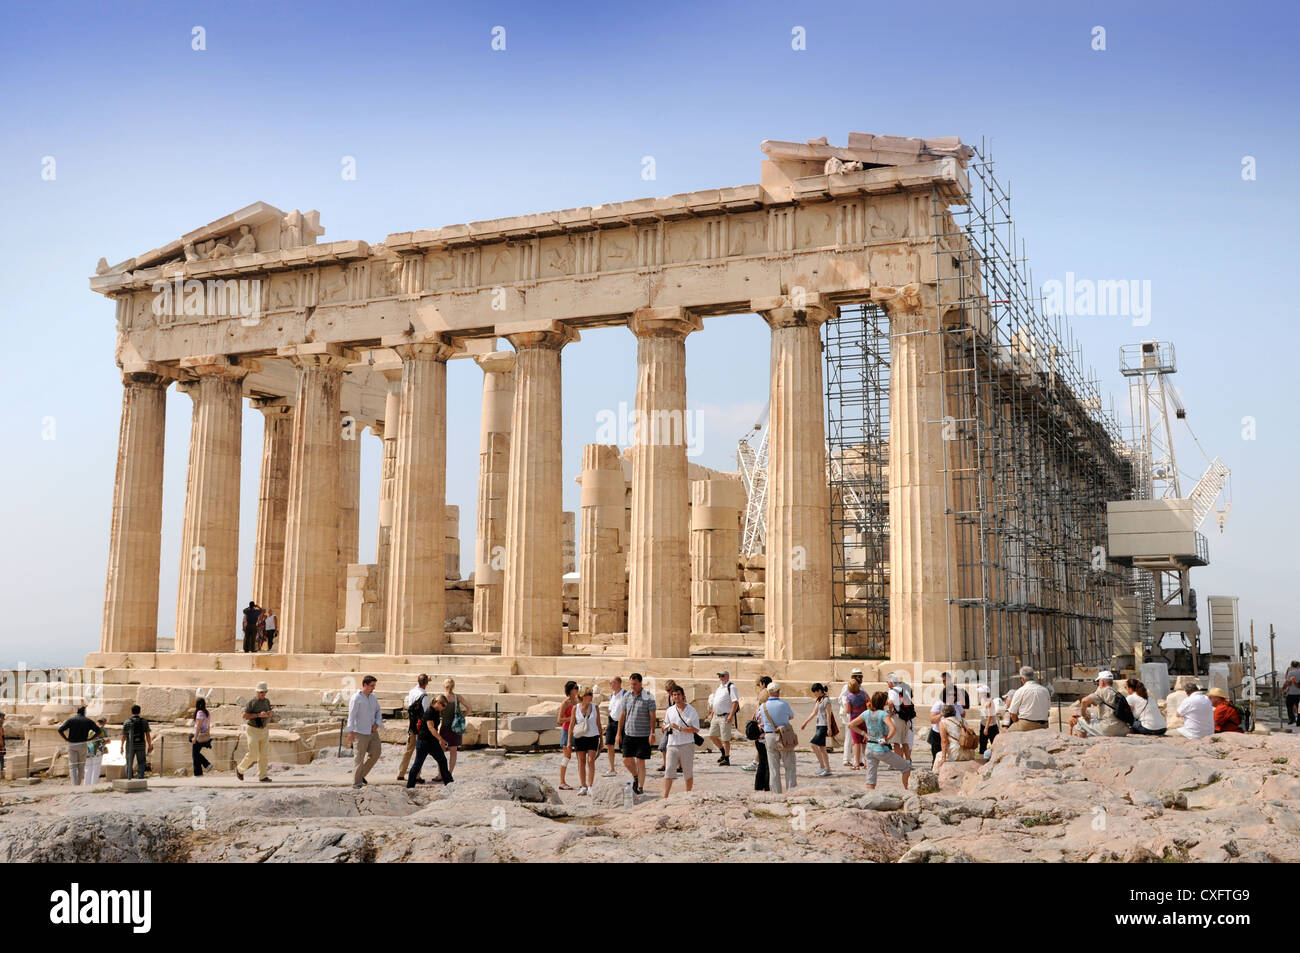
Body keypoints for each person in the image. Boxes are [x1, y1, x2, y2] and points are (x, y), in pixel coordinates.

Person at [850, 692, 912, 791]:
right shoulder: (883, 714)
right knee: (906, 768)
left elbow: (851, 725)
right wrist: (886, 739)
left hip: (869, 748)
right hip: (881, 749)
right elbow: (893, 729)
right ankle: (907, 792)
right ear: (883, 702)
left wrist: (864, 734)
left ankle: (869, 798)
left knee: (870, 780)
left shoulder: (866, 713)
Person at [616, 672, 656, 796]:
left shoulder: (649, 696)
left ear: (640, 683)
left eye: (634, 684)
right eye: (631, 684)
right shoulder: (627, 696)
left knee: (640, 761)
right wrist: (619, 733)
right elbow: (622, 715)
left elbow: (652, 716)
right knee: (626, 760)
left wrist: (652, 733)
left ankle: (640, 787)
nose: (632, 686)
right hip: (629, 733)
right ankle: (636, 776)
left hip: (643, 734)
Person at [662, 685, 700, 798]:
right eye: (674, 695)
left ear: (683, 696)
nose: (676, 697)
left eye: (678, 694)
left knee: (687, 771)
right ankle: (665, 796)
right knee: (669, 770)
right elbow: (665, 724)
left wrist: (680, 728)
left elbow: (696, 729)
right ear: (671, 697)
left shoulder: (691, 710)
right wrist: (665, 727)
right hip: (672, 744)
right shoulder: (670, 710)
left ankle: (688, 794)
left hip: (686, 744)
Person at [406, 693, 452, 787]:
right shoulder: (430, 712)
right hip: (424, 742)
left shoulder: (436, 711)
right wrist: (441, 739)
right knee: (418, 764)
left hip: (432, 742)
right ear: (438, 703)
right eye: (443, 705)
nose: (444, 708)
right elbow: (431, 728)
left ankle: (448, 783)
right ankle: (410, 785)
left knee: (442, 760)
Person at [758, 682, 797, 794]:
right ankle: (791, 791)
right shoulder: (784, 704)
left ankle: (776, 793)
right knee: (789, 765)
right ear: (778, 691)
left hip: (769, 735)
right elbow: (791, 716)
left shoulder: (763, 706)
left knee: (773, 768)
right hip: (783, 735)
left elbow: (761, 721)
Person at [347, 675, 383, 789]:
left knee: (376, 753)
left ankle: (361, 775)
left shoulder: (373, 697)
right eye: (372, 686)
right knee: (359, 758)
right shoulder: (356, 698)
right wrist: (350, 731)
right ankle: (356, 784)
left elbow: (378, 711)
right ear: (365, 685)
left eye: (374, 686)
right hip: (360, 732)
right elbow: (351, 716)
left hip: (372, 731)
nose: (373, 688)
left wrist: (377, 723)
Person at [236, 682, 275, 782]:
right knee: (253, 753)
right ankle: (240, 769)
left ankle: (263, 776)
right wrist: (258, 715)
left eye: (265, 692)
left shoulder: (267, 701)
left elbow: (269, 712)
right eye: (261, 692)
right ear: (257, 692)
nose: (263, 694)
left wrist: (270, 714)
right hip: (253, 729)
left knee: (264, 755)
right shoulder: (252, 702)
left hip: (264, 729)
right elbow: (244, 715)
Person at [1073, 672, 1131, 737]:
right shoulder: (1117, 693)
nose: (1098, 683)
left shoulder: (1102, 691)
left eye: (1099, 681)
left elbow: (1084, 701)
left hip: (1109, 729)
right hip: (1122, 730)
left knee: (1080, 721)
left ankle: (1082, 743)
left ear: (1102, 682)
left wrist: (1084, 715)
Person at [570, 686, 602, 796]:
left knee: (591, 760)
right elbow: (571, 725)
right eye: (589, 695)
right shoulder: (576, 708)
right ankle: (583, 785)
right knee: (581, 762)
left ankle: (591, 786)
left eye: (592, 695)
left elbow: (599, 724)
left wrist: (601, 739)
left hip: (593, 736)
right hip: (580, 737)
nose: (591, 697)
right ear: (583, 697)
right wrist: (569, 742)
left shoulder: (595, 707)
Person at [398, 674, 429, 783]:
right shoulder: (424, 696)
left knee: (409, 749)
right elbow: (426, 714)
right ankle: (417, 775)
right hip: (421, 727)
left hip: (412, 724)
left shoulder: (412, 691)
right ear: (426, 683)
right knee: (419, 751)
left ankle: (401, 773)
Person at [57, 705, 98, 786]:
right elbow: (98, 731)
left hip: (72, 744)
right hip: (82, 744)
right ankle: (78, 784)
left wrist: (66, 738)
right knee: (81, 766)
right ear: (84, 712)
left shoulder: (71, 720)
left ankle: (74, 784)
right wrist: (90, 738)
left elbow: (60, 730)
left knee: (72, 766)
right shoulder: (88, 721)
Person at [708, 670, 740, 765]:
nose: (721, 678)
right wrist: (712, 713)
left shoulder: (731, 687)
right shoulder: (719, 687)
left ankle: (727, 758)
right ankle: (723, 752)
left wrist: (731, 715)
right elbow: (716, 702)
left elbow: (735, 702)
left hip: (725, 715)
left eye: (722, 676)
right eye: (719, 676)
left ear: (727, 676)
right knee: (712, 735)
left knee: (725, 738)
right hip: (716, 715)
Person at [439, 677, 470, 775]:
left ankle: (440, 774)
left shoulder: (441, 697)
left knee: (441, 752)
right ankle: (449, 773)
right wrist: (463, 716)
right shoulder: (458, 697)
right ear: (453, 686)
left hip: (445, 727)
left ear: (444, 686)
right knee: (453, 752)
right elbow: (469, 708)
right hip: (456, 728)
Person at [934, 704, 980, 769]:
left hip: (956, 753)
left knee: (938, 756)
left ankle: (938, 776)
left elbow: (944, 741)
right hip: (969, 752)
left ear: (943, 714)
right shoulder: (963, 721)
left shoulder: (943, 722)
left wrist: (943, 758)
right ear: (955, 712)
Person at [1006, 666, 1051, 732]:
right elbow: (1048, 709)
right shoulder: (1044, 690)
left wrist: (1017, 722)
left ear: (1022, 679)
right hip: (1043, 724)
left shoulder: (1020, 691)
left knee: (1007, 734)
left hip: (1026, 724)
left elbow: (1012, 714)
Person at [744, 675, 774, 774]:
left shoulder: (765, 694)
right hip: (767, 723)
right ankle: (756, 762)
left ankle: (756, 763)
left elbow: (761, 706)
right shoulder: (771, 693)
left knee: (762, 743)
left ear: (763, 684)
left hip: (764, 723)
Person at [801, 683, 833, 777]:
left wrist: (829, 728)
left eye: (815, 691)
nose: (814, 693)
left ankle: (823, 766)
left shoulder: (826, 700)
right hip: (819, 725)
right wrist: (805, 722)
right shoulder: (819, 700)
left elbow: (828, 714)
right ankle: (827, 769)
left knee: (813, 744)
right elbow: (814, 713)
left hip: (823, 726)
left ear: (819, 690)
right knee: (822, 748)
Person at [602, 675, 629, 778]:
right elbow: (611, 709)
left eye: (612, 682)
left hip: (622, 723)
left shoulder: (625, 695)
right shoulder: (612, 695)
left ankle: (630, 766)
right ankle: (612, 768)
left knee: (624, 746)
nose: (610, 685)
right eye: (610, 683)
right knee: (609, 744)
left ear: (618, 683)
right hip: (611, 722)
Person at [886, 672, 915, 762]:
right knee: (905, 741)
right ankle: (907, 761)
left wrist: (890, 712)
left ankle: (899, 762)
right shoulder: (904, 689)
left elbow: (890, 702)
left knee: (896, 742)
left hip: (897, 718)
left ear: (891, 682)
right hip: (906, 718)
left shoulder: (892, 691)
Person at [838, 668, 864, 768]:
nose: (861, 678)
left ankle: (858, 760)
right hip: (849, 716)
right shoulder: (847, 687)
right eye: (859, 677)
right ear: (853, 677)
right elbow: (842, 699)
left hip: (859, 716)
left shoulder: (862, 688)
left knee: (859, 739)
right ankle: (846, 759)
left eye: (861, 676)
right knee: (849, 738)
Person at [654, 679, 680, 775]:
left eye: (669, 690)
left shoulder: (680, 697)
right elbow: (668, 711)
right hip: (669, 725)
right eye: (667, 691)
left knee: (677, 746)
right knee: (663, 745)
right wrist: (664, 723)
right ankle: (665, 765)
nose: (668, 692)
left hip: (677, 725)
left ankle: (679, 766)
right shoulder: (668, 697)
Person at [557, 680, 579, 790]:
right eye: (576, 687)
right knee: (567, 756)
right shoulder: (566, 703)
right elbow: (559, 720)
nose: (577, 689)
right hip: (567, 731)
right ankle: (562, 781)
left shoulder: (578, 701)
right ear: (570, 690)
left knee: (580, 756)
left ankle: (583, 782)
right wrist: (571, 719)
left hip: (577, 731)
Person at [928, 693, 964, 759]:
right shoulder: (939, 704)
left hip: (953, 736)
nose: (952, 697)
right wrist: (942, 715)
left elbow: (963, 714)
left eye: (954, 695)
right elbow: (932, 720)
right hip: (938, 734)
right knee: (936, 754)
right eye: (950, 694)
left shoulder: (957, 705)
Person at [122, 704, 152, 779]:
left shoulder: (127, 722)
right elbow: (147, 734)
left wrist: (121, 746)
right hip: (141, 745)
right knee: (141, 762)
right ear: (140, 711)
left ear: (131, 712)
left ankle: (129, 778)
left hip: (130, 745)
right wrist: (150, 745)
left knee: (129, 763)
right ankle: (140, 777)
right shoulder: (144, 721)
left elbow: (124, 736)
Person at [751, 677, 771, 791]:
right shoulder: (769, 708)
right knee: (768, 764)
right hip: (766, 737)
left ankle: (758, 786)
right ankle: (767, 786)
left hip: (758, 738)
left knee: (761, 764)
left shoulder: (758, 709)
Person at [844, 676, 868, 769]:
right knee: (865, 743)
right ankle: (866, 763)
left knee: (856, 743)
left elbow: (848, 711)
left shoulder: (849, 697)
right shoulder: (864, 694)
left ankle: (857, 763)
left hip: (854, 720)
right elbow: (869, 704)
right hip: (864, 719)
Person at [191, 696, 213, 776]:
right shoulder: (207, 713)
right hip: (204, 736)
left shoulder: (200, 713)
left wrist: (195, 738)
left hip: (199, 736)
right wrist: (208, 736)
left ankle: (206, 764)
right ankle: (199, 773)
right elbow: (208, 725)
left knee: (195, 754)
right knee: (195, 754)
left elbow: (198, 726)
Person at [976, 685, 1001, 755]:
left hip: (991, 726)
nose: (979, 694)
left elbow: (990, 715)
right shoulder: (982, 700)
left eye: (980, 692)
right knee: (982, 745)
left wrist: (986, 728)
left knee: (995, 745)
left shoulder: (989, 702)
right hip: (983, 724)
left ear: (984, 693)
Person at [84, 717, 108, 786]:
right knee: (96, 768)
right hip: (97, 750)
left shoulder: (90, 729)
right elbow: (107, 740)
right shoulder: (103, 729)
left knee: (88, 768)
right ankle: (94, 785)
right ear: (104, 723)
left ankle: (86, 785)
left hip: (88, 749)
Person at [1285, 661, 1300, 727]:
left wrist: (1283, 688)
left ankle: (1292, 718)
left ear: (1291, 665)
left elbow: (1288, 683)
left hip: (1292, 693)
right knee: (1299, 707)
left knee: (1289, 706)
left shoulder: (1291, 672)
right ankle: (1299, 722)